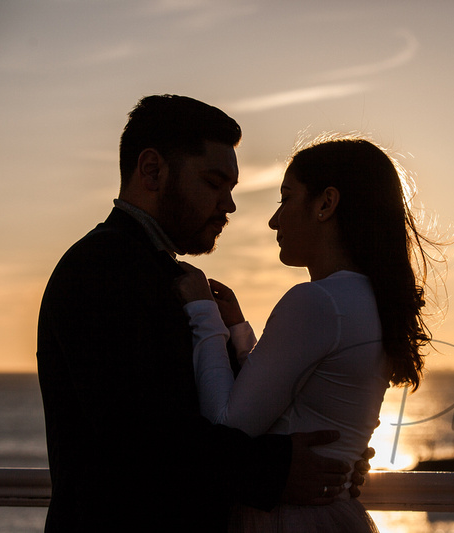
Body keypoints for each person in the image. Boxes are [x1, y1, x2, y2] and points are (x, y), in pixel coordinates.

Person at [36, 95, 360, 532]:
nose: (229, 205)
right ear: (152, 170)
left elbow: (228, 413)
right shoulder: (99, 269)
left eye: (231, 188)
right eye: (213, 183)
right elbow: (136, 436)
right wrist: (278, 469)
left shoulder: (163, 274)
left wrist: (330, 459)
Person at [176, 137, 438, 531]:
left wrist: (203, 315)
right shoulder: (373, 301)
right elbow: (292, 397)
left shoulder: (316, 301)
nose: (274, 220)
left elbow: (228, 426)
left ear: (325, 204)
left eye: (286, 198)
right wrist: (239, 331)